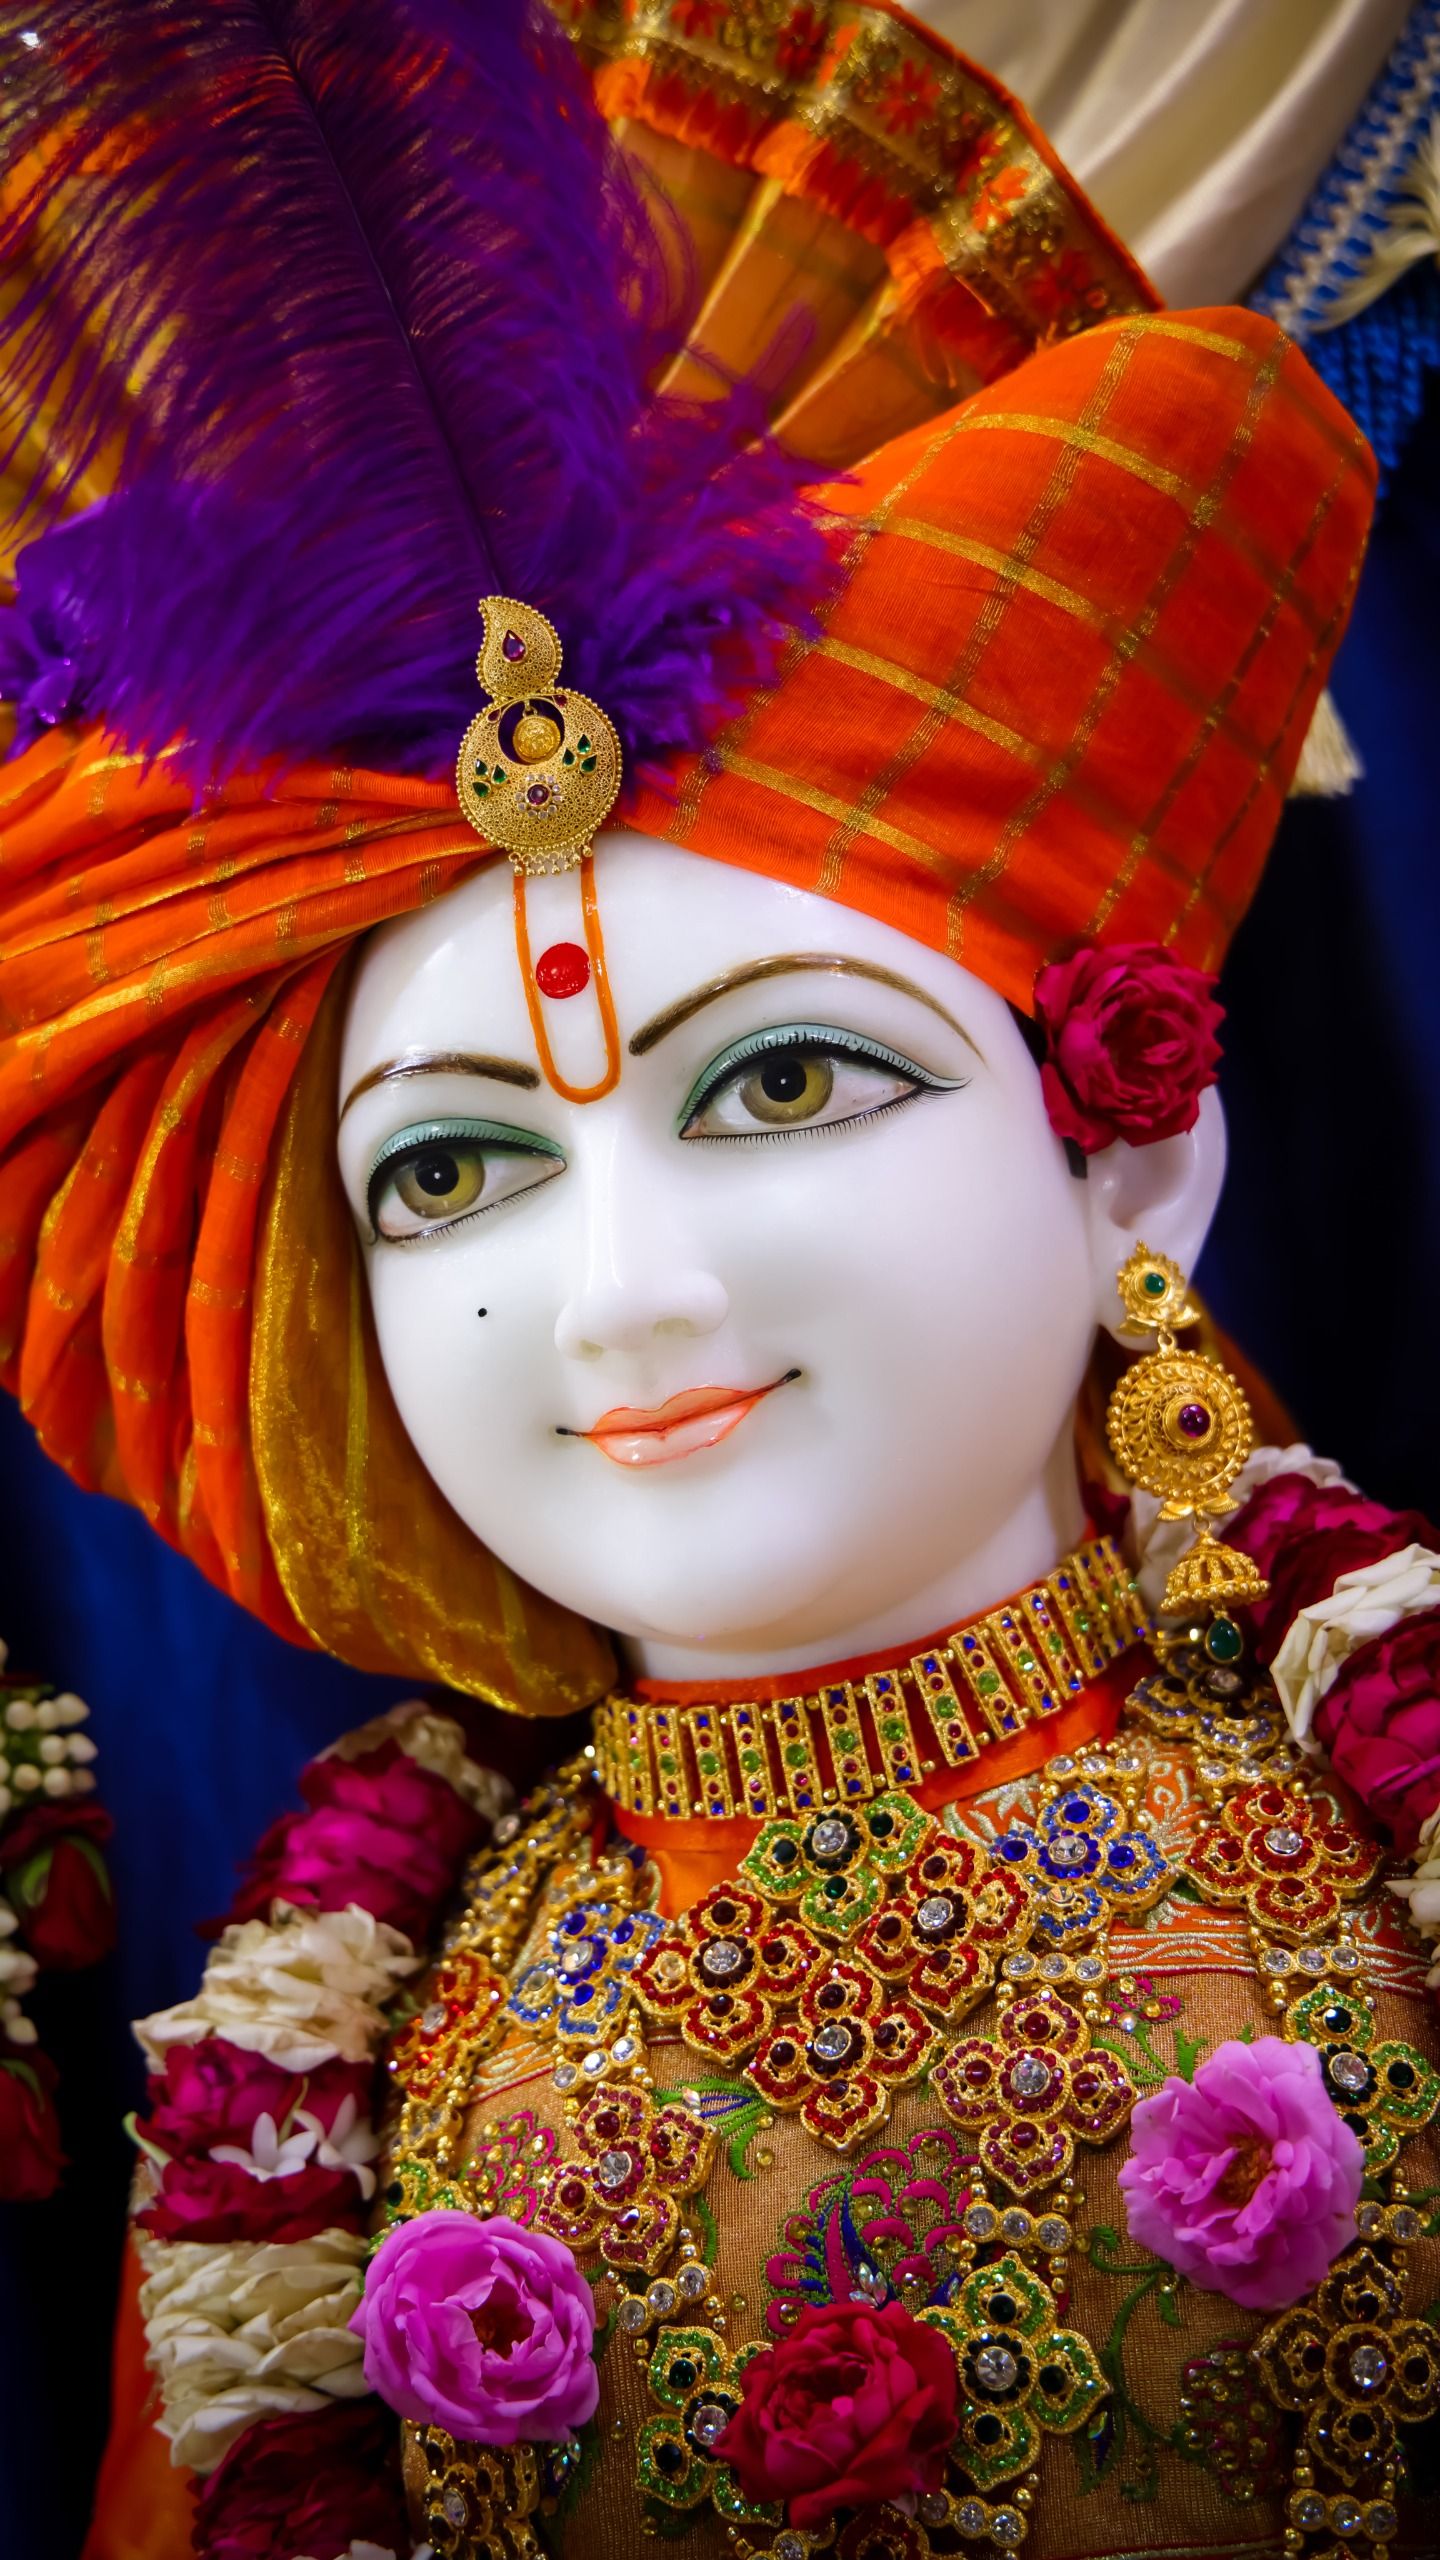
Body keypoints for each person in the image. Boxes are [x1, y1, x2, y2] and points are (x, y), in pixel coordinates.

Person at [0, 6, 1435, 2560]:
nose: (629, 1290)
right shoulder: (354, 2030)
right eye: (448, 1174)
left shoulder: (1377, 1845)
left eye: (779, 1087)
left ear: (1143, 1163)